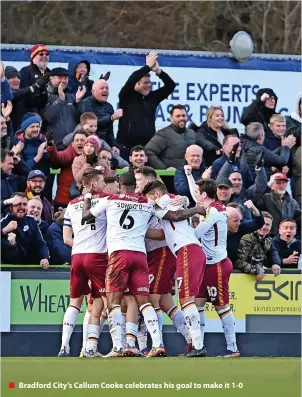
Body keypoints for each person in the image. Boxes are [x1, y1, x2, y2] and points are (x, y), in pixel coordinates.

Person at [82, 178, 204, 357]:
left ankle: (119, 347)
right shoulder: (147, 203)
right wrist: (191, 205)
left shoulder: (110, 200)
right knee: (147, 302)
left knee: (115, 301)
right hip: (140, 255)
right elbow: (173, 215)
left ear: (120, 185)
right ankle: (157, 344)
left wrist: (86, 197)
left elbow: (86, 216)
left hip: (121, 254)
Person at [142, 180, 207, 357]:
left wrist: (195, 209)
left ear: (156, 194)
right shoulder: (175, 200)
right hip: (189, 250)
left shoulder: (163, 201)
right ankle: (195, 344)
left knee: (186, 300)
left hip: (187, 250)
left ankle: (198, 346)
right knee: (184, 300)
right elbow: (165, 231)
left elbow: (175, 216)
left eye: (148, 197)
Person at [59, 168, 108, 357]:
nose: (104, 185)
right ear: (94, 184)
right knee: (101, 302)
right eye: (102, 181)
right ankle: (87, 349)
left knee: (74, 303)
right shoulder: (105, 200)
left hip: (77, 255)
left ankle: (64, 346)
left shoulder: (71, 204)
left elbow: (65, 239)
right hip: (97, 256)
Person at [193, 179, 240, 358]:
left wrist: (183, 222)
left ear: (204, 195)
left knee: (222, 307)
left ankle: (232, 347)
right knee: (197, 304)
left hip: (217, 264)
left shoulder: (213, 211)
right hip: (206, 265)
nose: (195, 195)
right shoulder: (214, 207)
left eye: (198, 192)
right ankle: (199, 346)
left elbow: (197, 233)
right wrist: (190, 176)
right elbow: (196, 195)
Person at [117, 51, 176, 157]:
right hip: (126, 148)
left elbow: (170, 86)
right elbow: (132, 79)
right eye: (145, 83)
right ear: (136, 84)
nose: (148, 85)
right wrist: (147, 66)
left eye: (149, 83)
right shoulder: (127, 96)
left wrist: (158, 71)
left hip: (147, 149)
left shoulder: (152, 98)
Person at [62, 112, 128, 168]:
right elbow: (65, 142)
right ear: (83, 126)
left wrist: (126, 165)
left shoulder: (99, 142)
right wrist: (80, 129)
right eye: (91, 126)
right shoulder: (77, 139)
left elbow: (112, 154)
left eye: (95, 126)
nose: (94, 129)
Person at [1, 192, 49, 267]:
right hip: (9, 268)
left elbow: (40, 243)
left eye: (24, 204)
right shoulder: (5, 220)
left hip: (30, 268)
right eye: (18, 204)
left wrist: (45, 257)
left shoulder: (31, 221)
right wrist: (4, 230)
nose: (22, 207)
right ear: (11, 206)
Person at [43, 67, 86, 150]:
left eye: (65, 78)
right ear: (51, 79)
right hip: (53, 146)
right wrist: (61, 100)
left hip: (72, 146)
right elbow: (47, 117)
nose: (63, 81)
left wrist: (78, 101)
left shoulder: (71, 96)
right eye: (59, 77)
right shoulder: (45, 96)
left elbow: (82, 119)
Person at [145, 104, 195, 170]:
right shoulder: (163, 134)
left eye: (183, 115)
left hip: (190, 175)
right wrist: (164, 169)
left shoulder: (192, 133)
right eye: (178, 116)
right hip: (170, 177)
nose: (181, 118)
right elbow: (148, 151)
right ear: (171, 118)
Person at [46, 129, 88, 209]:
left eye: (82, 140)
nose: (79, 142)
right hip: (64, 202)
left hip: (84, 202)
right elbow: (58, 158)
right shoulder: (69, 153)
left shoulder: (93, 157)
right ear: (72, 144)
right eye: (77, 140)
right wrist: (50, 145)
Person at [235, 212, 281, 279]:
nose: (264, 227)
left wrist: (276, 263)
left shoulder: (267, 240)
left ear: (271, 227)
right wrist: (256, 270)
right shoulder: (246, 238)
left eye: (267, 224)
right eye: (262, 224)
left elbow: (273, 251)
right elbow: (237, 262)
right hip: (239, 279)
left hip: (256, 280)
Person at [5, 65, 49, 132]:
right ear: (5, 80)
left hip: (26, 135)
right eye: (12, 77)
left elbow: (40, 103)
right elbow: (14, 96)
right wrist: (35, 86)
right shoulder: (4, 94)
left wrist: (42, 91)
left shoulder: (24, 94)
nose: (16, 80)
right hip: (11, 134)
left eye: (18, 77)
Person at [83, 79, 122, 152]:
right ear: (93, 92)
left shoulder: (109, 106)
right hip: (89, 144)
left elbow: (110, 130)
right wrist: (111, 117)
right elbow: (93, 124)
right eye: (102, 88)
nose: (105, 90)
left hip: (105, 144)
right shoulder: (86, 103)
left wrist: (114, 145)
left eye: (107, 88)